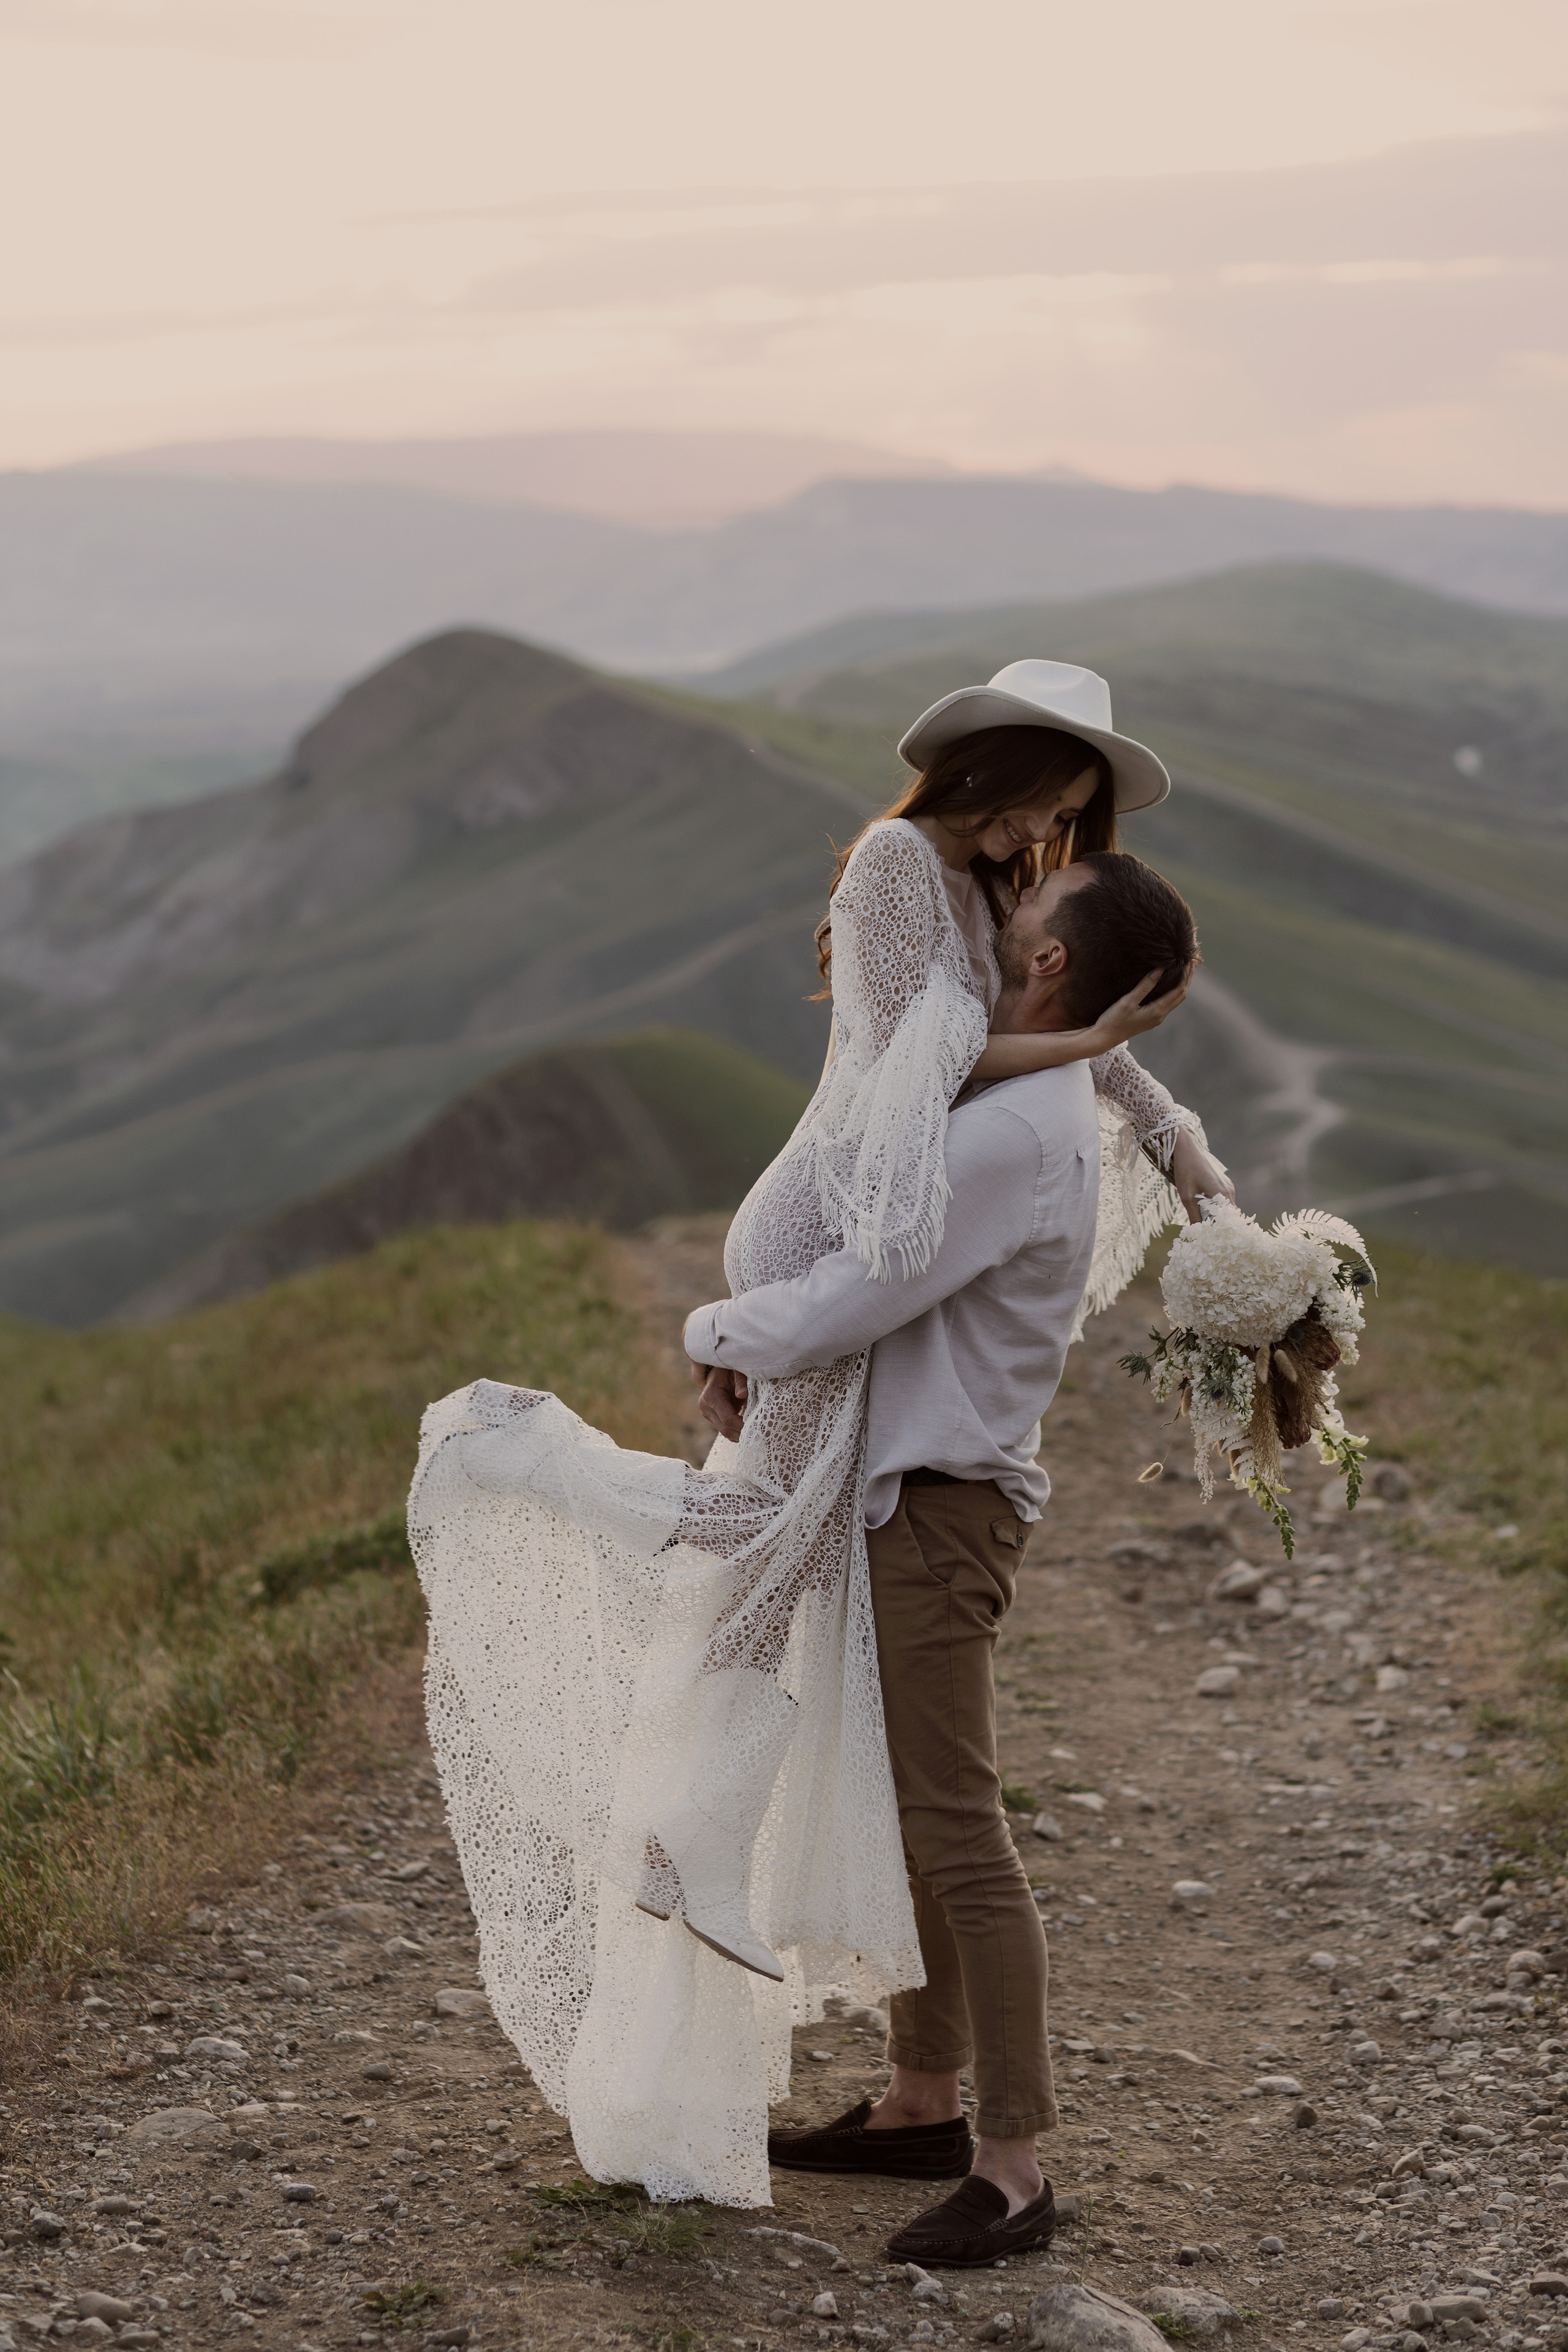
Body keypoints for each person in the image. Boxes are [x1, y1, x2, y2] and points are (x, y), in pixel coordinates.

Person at [407, 660, 1229, 2208]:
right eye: (1042, 808)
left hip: (877, 1242)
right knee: (749, 1546)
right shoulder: (891, 868)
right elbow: (900, 1077)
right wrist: (1076, 1065)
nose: (1042, 843)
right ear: (992, 770)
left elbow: (1074, 1024)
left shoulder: (1007, 905)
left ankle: (714, 1857)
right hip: (824, 1212)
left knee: (768, 1555)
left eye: (1070, 824)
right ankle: (680, 1823)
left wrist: (1179, 1145)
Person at [683, 852, 1205, 2264]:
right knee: (912, 1813)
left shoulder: (1012, 1135)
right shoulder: (1037, 1092)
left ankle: (1012, 2165)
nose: (992, 923)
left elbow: (847, 1305)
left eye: (1020, 918)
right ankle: (919, 2098)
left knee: (960, 1832)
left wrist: (712, 1335)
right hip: (906, 1496)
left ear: (1044, 968)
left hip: (936, 1506)